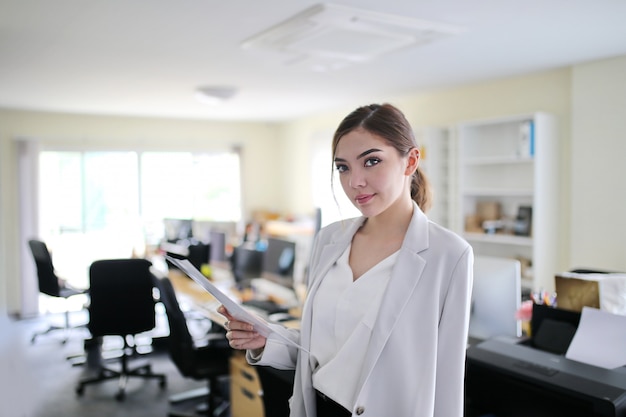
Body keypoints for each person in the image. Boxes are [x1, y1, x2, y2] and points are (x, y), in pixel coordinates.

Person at [219, 103, 473, 417]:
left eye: (371, 161)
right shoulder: (329, 241)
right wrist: (264, 340)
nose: (355, 182)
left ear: (410, 161)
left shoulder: (449, 254)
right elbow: (321, 351)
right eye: (343, 167)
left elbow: (447, 381)